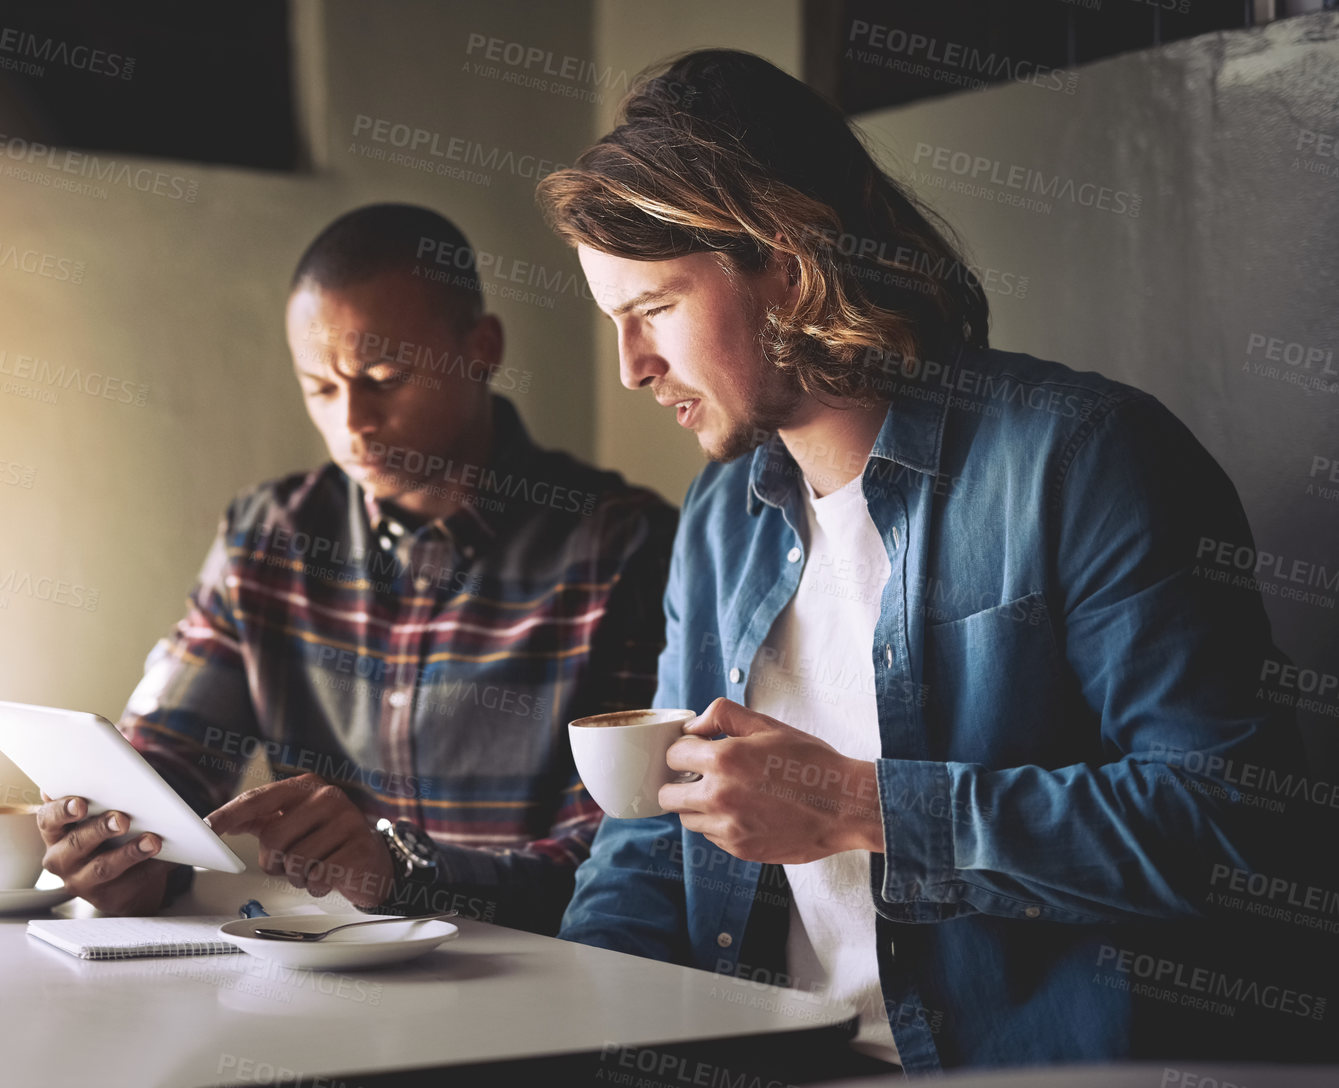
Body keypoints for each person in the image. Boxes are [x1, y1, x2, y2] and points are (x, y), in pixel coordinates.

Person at [548, 50, 1329, 1074]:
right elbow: (652, 834)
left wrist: (859, 805)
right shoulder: (718, 514)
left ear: (782, 262)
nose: (631, 366)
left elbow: (1235, 827)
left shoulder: (1082, 458)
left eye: (649, 310)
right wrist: (562, 1030)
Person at [36, 204, 676, 934]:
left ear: (482, 348)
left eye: (384, 376)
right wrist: (122, 851)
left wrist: (402, 871)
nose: (353, 423)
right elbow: (164, 771)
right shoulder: (268, 537)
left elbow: (618, 861)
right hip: (320, 987)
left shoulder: (622, 548)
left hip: (539, 988)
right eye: (321, 388)